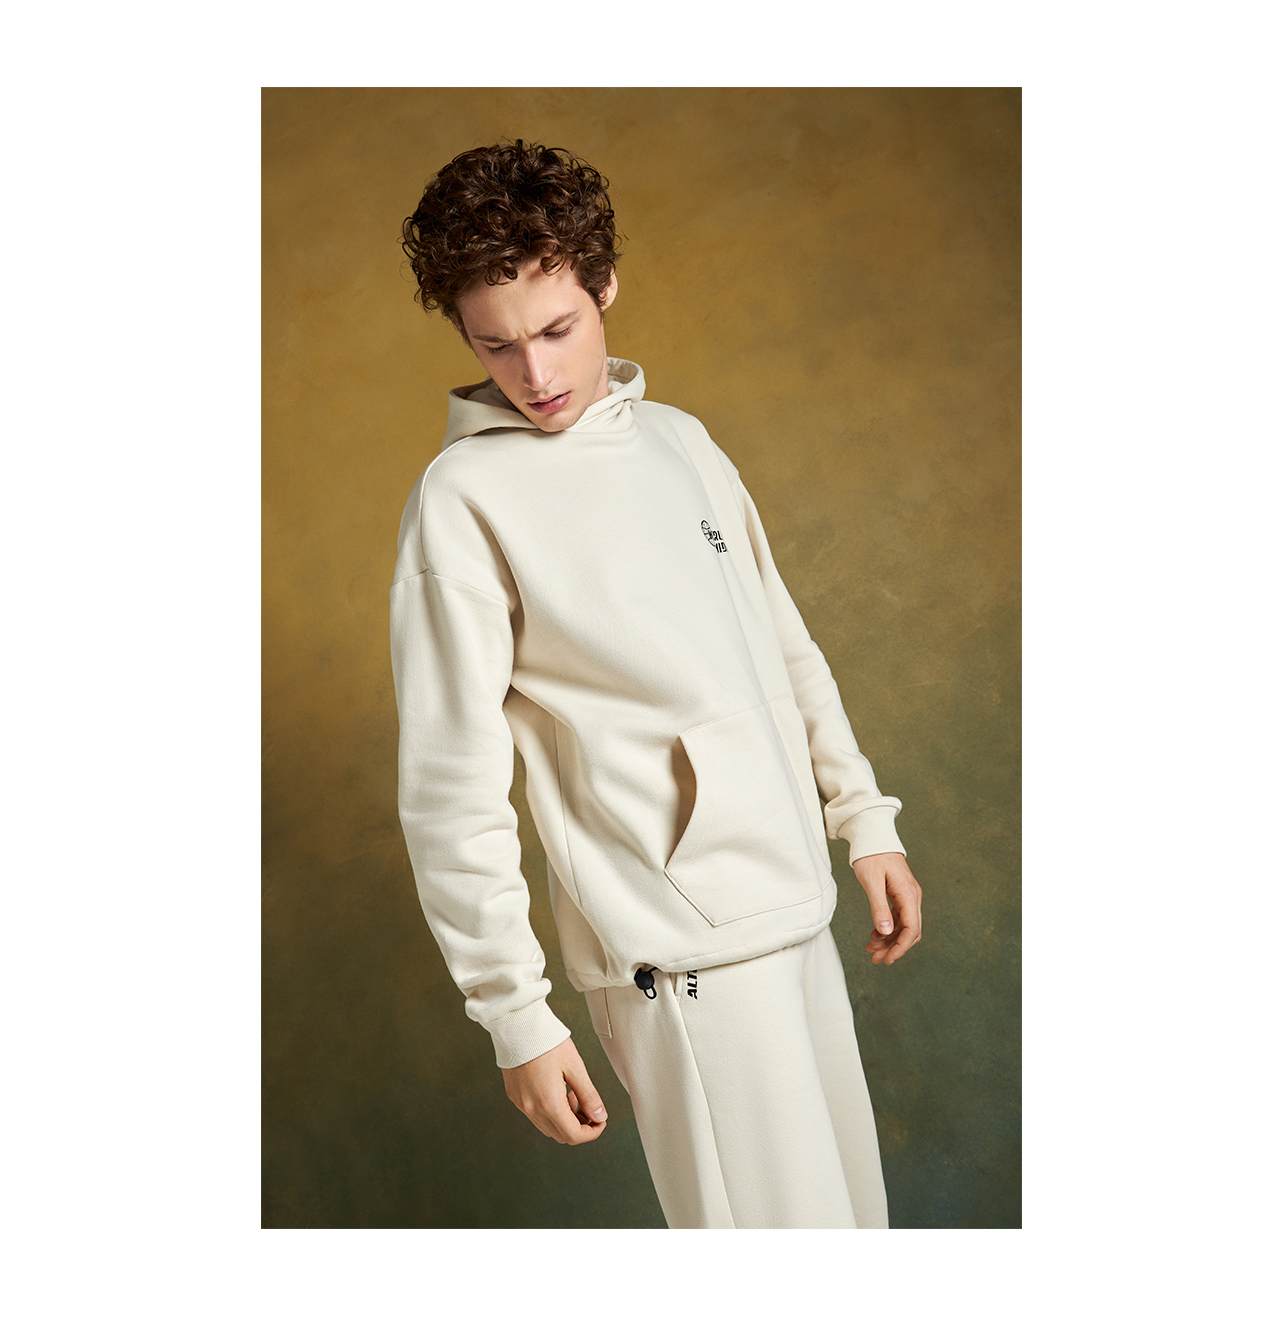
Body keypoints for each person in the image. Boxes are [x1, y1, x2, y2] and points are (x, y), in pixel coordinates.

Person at [391, 140, 923, 1229]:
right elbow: (450, 787)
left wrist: (862, 816)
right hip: (675, 961)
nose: (533, 374)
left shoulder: (681, 443)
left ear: (603, 287)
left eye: (555, 330)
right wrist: (516, 1015)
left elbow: (780, 645)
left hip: (792, 917)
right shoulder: (462, 500)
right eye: (495, 344)